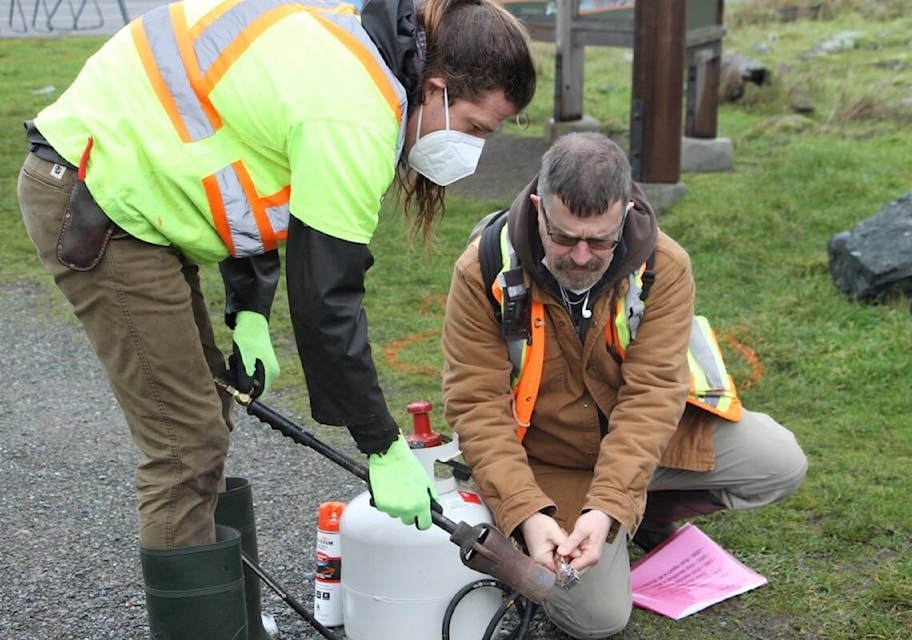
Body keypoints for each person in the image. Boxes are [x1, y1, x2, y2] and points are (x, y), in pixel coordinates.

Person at [17, 0, 536, 636]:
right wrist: (380, 444)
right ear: (436, 89)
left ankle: (226, 617)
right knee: (185, 443)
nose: (476, 150)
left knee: (207, 411)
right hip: (97, 191)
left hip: (139, 184)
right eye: (479, 129)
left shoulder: (362, 47)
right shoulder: (356, 111)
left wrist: (249, 311)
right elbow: (326, 300)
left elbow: (251, 161)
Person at [441, 132, 807, 639]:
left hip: (641, 442)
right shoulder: (482, 270)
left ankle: (641, 512)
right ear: (536, 208)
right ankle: (554, 525)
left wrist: (611, 504)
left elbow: (653, 395)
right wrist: (526, 511)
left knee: (780, 462)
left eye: (602, 239)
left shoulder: (664, 265)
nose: (584, 257)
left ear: (627, 211)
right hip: (547, 461)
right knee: (596, 620)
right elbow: (476, 406)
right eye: (565, 238)